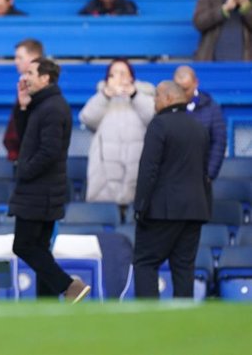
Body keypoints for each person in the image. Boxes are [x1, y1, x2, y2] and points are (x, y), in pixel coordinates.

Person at [9, 58, 91, 303]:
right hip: (41, 190)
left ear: (46, 78)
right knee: (40, 249)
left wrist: (24, 171)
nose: (25, 77)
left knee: (23, 246)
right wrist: (22, 107)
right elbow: (25, 139)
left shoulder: (53, 107)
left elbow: (49, 151)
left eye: (31, 72)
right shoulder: (41, 105)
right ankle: (47, 305)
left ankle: (69, 286)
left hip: (40, 192)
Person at [133, 81, 210, 299]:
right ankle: (182, 322)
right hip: (195, 210)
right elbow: (204, 172)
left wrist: (140, 206)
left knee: (145, 263)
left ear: (167, 98)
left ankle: (149, 320)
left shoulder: (159, 125)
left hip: (162, 210)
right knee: (184, 267)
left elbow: (149, 169)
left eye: (156, 96)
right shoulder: (199, 128)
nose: (154, 102)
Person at [79, 59, 155, 212]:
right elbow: (87, 118)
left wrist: (134, 95)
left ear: (132, 77)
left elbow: (153, 118)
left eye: (123, 73)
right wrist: (106, 95)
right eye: (114, 74)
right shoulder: (101, 97)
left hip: (136, 167)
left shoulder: (145, 95)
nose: (119, 78)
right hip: (105, 172)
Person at [173, 65, 227, 181]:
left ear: (195, 83)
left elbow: (219, 142)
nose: (183, 93)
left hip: (201, 178)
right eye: (179, 89)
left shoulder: (211, 107)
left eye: (186, 89)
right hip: (173, 179)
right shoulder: (168, 108)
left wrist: (209, 174)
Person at [2, 39, 44, 162]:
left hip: (32, 161)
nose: (16, 62)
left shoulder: (39, 90)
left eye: (20, 58)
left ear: (34, 58)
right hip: (22, 157)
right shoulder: (24, 85)